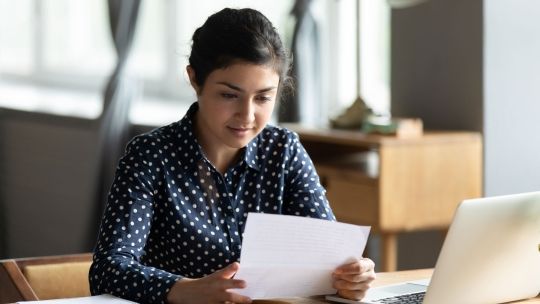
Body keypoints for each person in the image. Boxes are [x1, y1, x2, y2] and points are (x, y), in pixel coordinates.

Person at [89, 7, 375, 304]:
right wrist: (186, 289)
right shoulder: (150, 156)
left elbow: (328, 258)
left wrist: (352, 276)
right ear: (195, 80)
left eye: (263, 97)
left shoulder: (284, 151)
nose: (247, 116)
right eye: (229, 95)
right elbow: (108, 270)